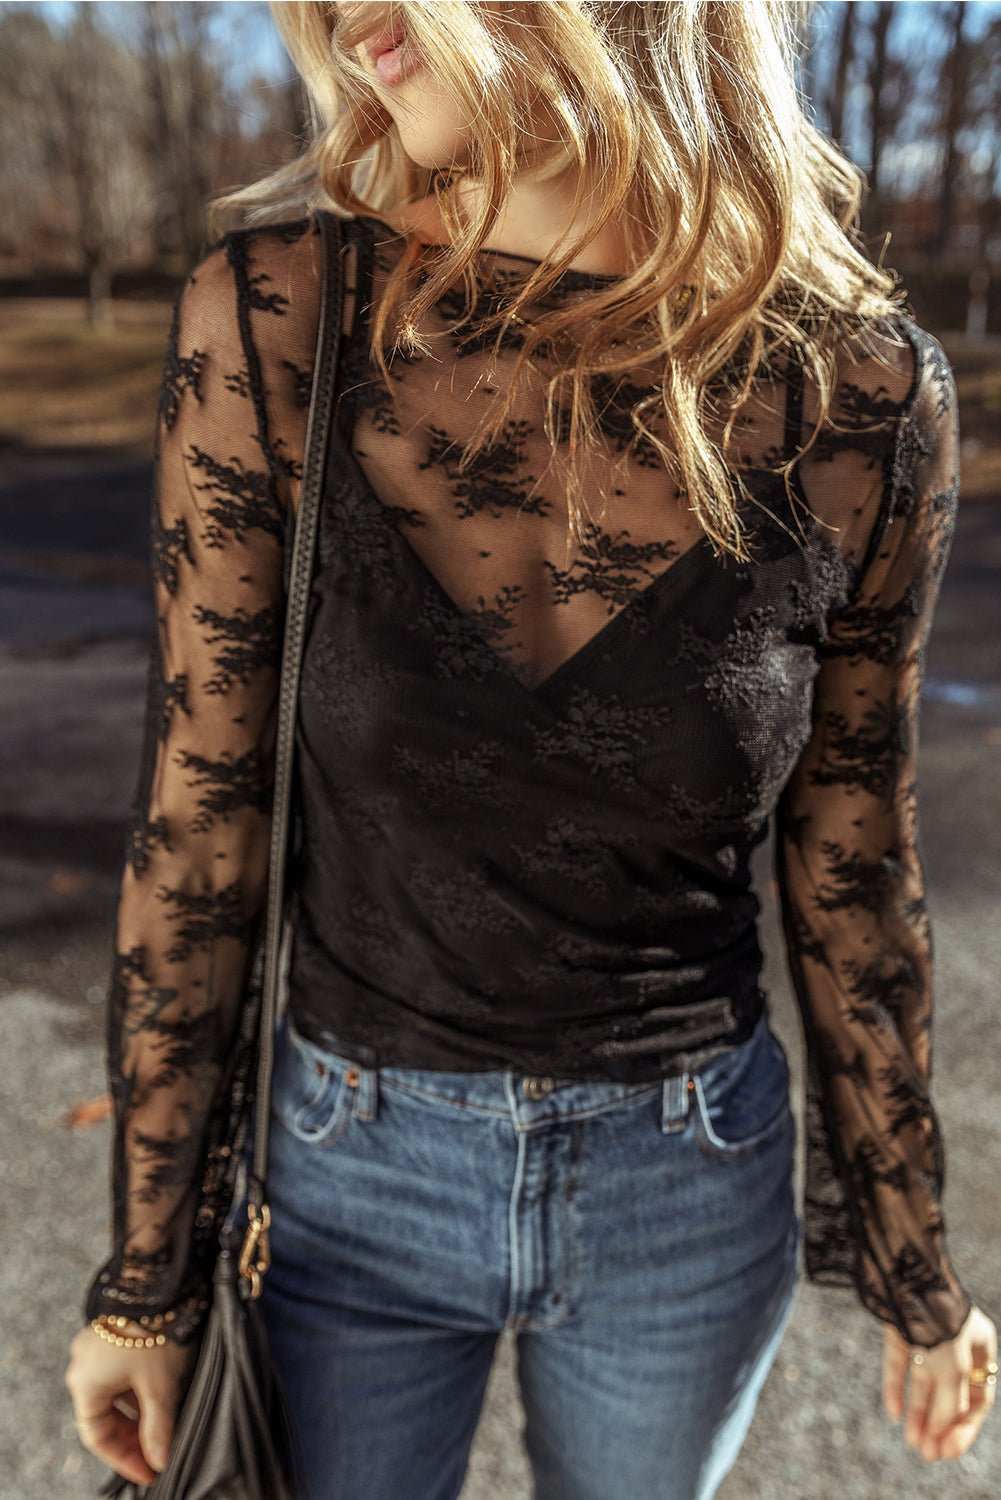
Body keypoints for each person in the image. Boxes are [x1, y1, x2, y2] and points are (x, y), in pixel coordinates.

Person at [65, 2, 997, 1496]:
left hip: (684, 1193)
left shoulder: (861, 397)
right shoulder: (279, 317)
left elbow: (853, 859)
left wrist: (913, 1262)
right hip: (344, 1183)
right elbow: (201, 820)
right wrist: (146, 1276)